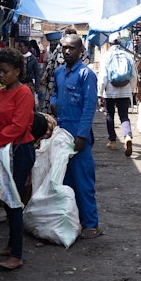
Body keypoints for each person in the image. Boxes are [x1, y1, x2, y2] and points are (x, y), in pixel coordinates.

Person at [0, 47, 36, 270]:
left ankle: (17, 254)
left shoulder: (24, 93)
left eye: (5, 71)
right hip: (3, 149)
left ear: (17, 71)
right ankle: (10, 245)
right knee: (6, 198)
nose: (1, 75)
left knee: (14, 200)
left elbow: (19, 124)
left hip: (19, 150)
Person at [50, 34, 101, 239]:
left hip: (79, 135)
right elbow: (54, 92)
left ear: (81, 50)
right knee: (66, 181)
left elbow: (90, 107)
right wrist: (54, 101)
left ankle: (91, 224)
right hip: (62, 133)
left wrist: (82, 135)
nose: (67, 51)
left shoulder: (86, 74)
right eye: (64, 48)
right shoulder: (59, 72)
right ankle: (72, 221)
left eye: (71, 48)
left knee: (83, 181)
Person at [98, 34, 137, 156]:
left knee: (110, 114)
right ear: (121, 42)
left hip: (109, 92)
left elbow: (103, 77)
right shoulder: (128, 55)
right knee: (124, 116)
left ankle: (113, 141)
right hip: (125, 91)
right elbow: (134, 75)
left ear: (109, 43)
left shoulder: (106, 56)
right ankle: (127, 136)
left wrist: (100, 93)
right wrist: (132, 89)